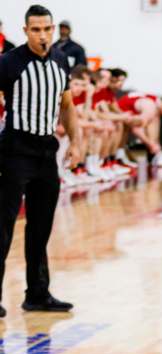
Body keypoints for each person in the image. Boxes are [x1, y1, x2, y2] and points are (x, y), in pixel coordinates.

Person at [0, 5, 81, 317]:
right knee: (4, 225)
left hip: (47, 152)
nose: (43, 35)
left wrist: (77, 141)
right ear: (25, 31)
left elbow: (67, 104)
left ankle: (37, 293)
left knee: (41, 225)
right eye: (36, 30)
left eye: (47, 28)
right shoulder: (9, 62)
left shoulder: (61, 60)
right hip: (15, 150)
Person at [116, 92, 162, 167]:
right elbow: (136, 130)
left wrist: (156, 145)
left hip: (127, 111)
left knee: (154, 123)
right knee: (146, 124)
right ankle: (156, 153)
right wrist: (151, 144)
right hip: (117, 112)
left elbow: (155, 129)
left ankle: (157, 154)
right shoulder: (150, 107)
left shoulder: (156, 103)